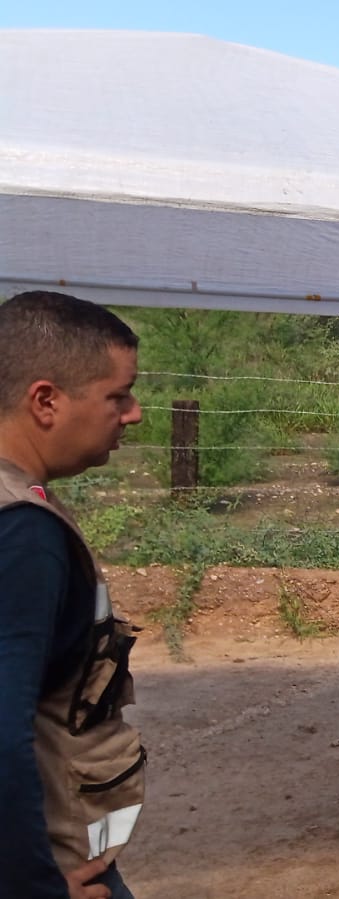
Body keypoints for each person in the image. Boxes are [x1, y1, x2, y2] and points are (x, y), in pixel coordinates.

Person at [0, 291, 146, 899]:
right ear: (46, 400)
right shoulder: (22, 533)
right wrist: (36, 887)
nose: (134, 413)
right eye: (117, 395)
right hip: (50, 863)